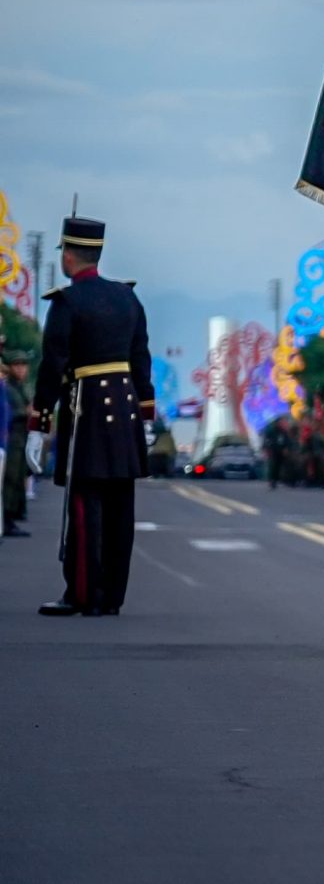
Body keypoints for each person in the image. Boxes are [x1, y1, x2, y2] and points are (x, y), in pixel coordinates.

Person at [33, 214, 154, 616]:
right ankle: (111, 596)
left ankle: (82, 593)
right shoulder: (127, 297)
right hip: (126, 406)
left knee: (85, 503)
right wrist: (146, 412)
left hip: (85, 406)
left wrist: (40, 418)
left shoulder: (67, 302)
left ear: (68, 255)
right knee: (122, 504)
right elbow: (141, 358)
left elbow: (53, 363)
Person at [2, 340, 31, 536]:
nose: (21, 369)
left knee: (18, 478)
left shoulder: (20, 388)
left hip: (20, 439)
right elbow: (15, 411)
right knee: (10, 480)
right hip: (12, 438)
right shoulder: (9, 388)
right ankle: (7, 518)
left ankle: (12, 517)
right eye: (16, 365)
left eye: (23, 365)